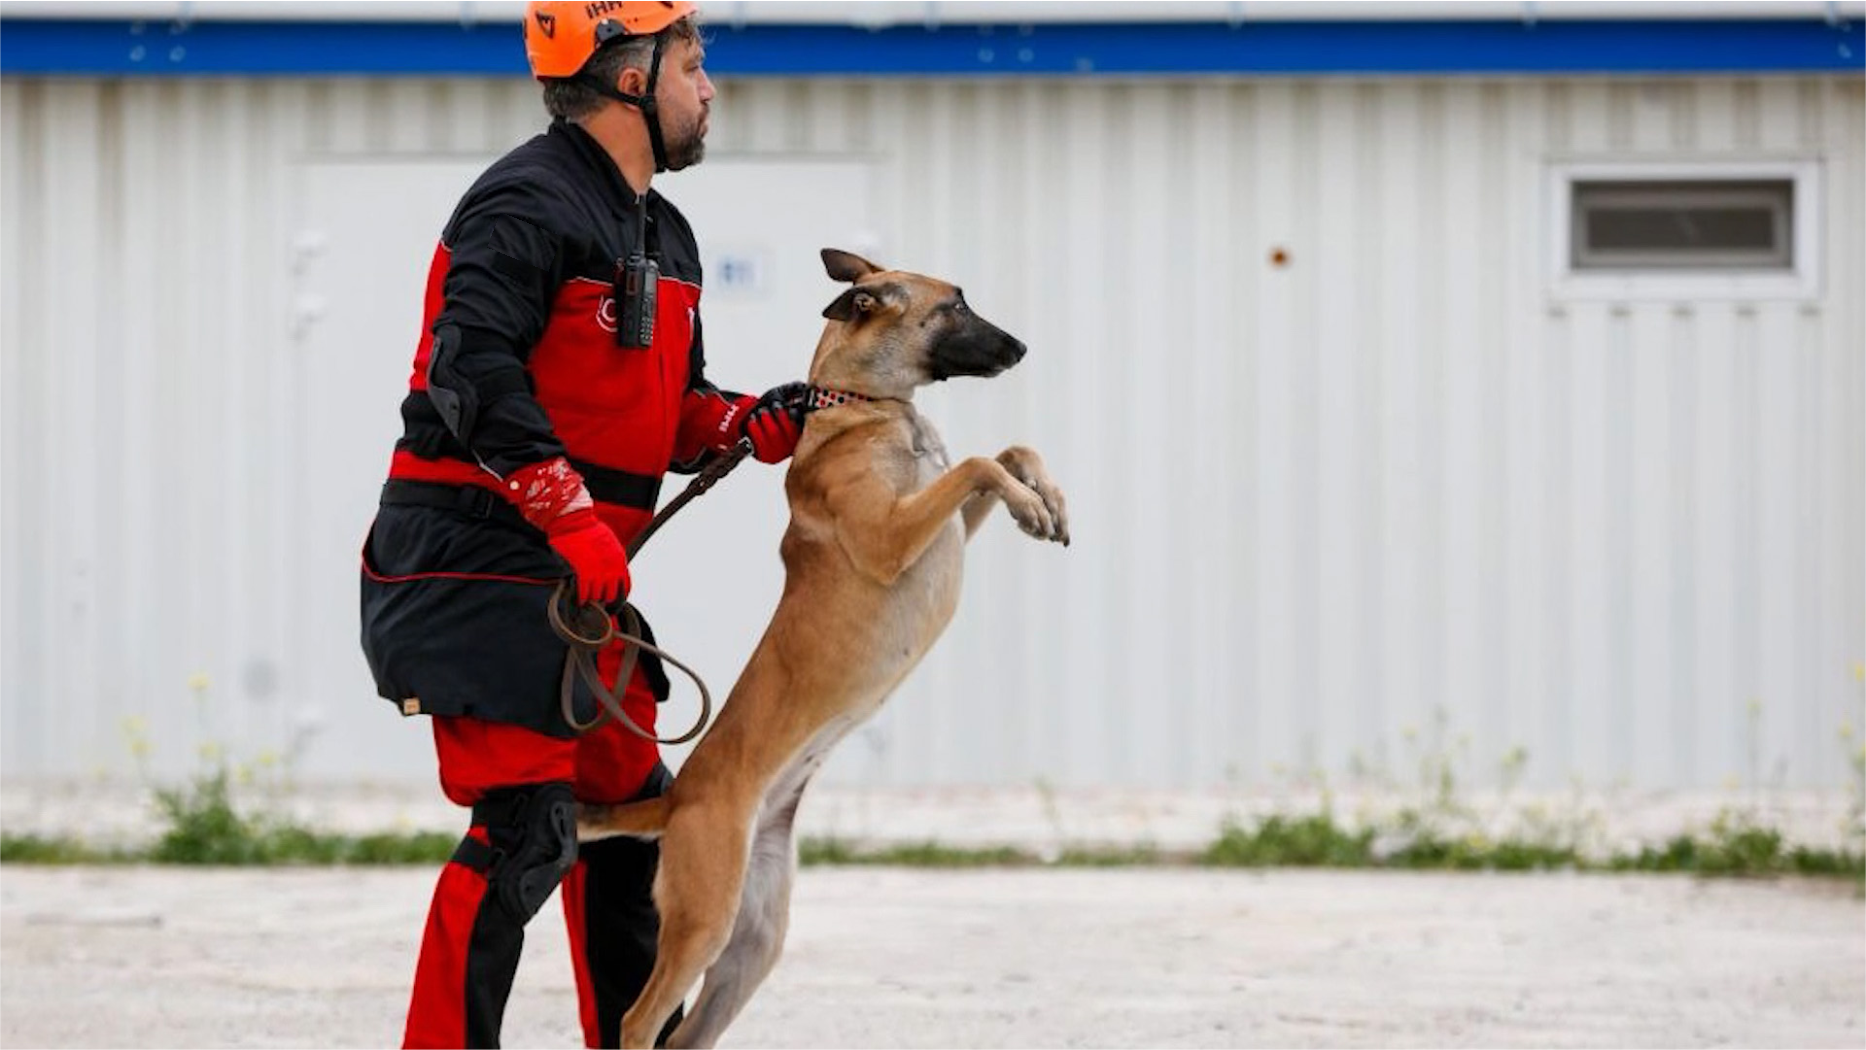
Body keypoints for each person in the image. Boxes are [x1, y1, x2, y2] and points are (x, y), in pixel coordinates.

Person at [358, 4, 807, 1048]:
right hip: (474, 564)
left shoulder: (664, 230)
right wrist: (567, 514)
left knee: (634, 816)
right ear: (627, 74)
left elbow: (673, 408)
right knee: (524, 835)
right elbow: (470, 374)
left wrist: (744, 423)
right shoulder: (522, 205)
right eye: (693, 64)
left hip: (571, 581)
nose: (710, 87)